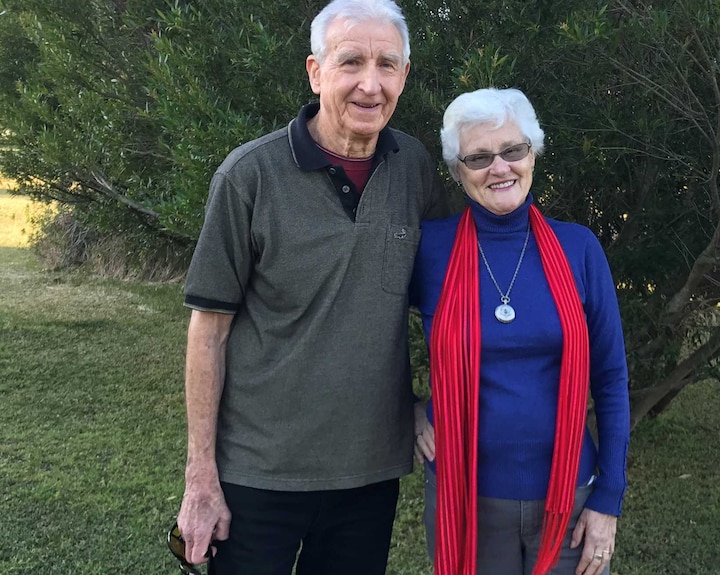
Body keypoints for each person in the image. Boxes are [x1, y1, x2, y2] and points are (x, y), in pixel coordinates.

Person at [175, 0, 450, 573]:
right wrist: (201, 473)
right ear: (315, 71)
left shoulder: (414, 168)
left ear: (404, 76)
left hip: (370, 472)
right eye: (351, 62)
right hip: (258, 472)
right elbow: (209, 330)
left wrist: (429, 401)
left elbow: (444, 302)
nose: (370, 84)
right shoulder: (248, 176)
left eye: (387, 65)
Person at [410, 88, 630, 575]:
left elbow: (611, 379)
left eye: (513, 150)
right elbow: (366, 334)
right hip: (465, 497)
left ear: (533, 153)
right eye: (479, 157)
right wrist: (407, 409)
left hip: (570, 497)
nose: (500, 167)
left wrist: (608, 498)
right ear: (457, 170)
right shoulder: (429, 251)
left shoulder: (579, 249)